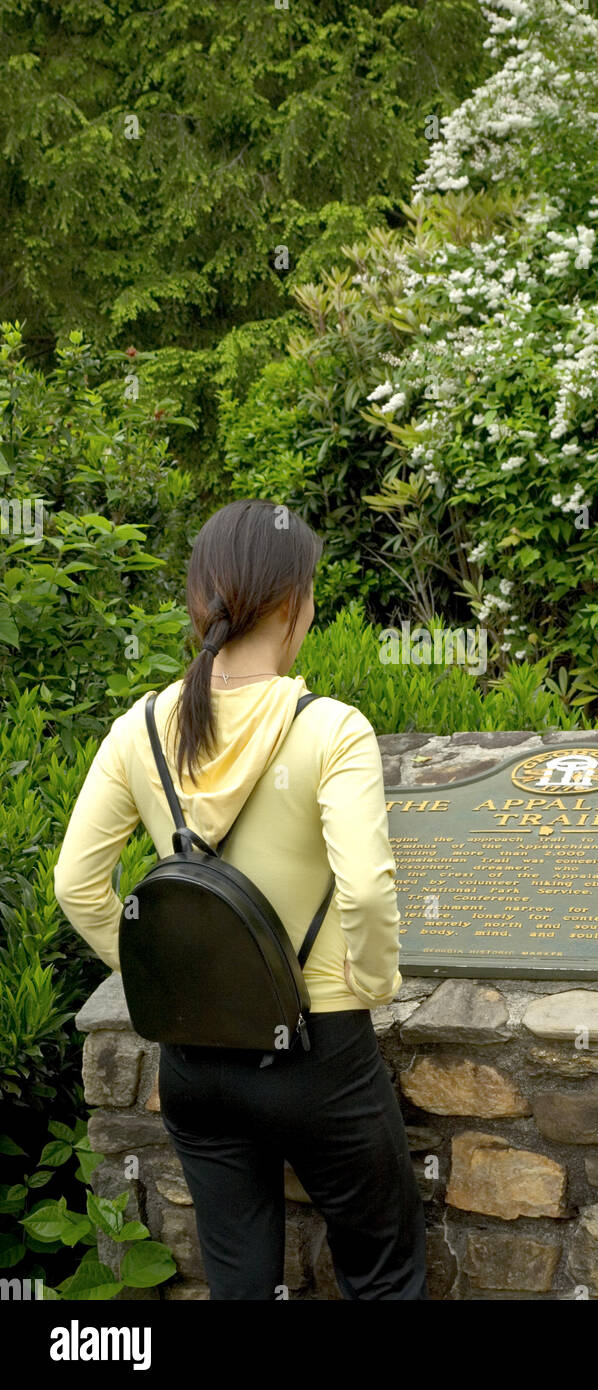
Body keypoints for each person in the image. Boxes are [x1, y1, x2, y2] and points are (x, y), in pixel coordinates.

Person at [53, 498, 429, 1301]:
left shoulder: (141, 730)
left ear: (202, 600)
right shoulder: (330, 728)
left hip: (196, 1058)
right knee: (383, 1277)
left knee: (239, 1286)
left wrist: (165, 981)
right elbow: (364, 888)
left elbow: (77, 885)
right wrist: (373, 986)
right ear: (293, 602)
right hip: (320, 1049)